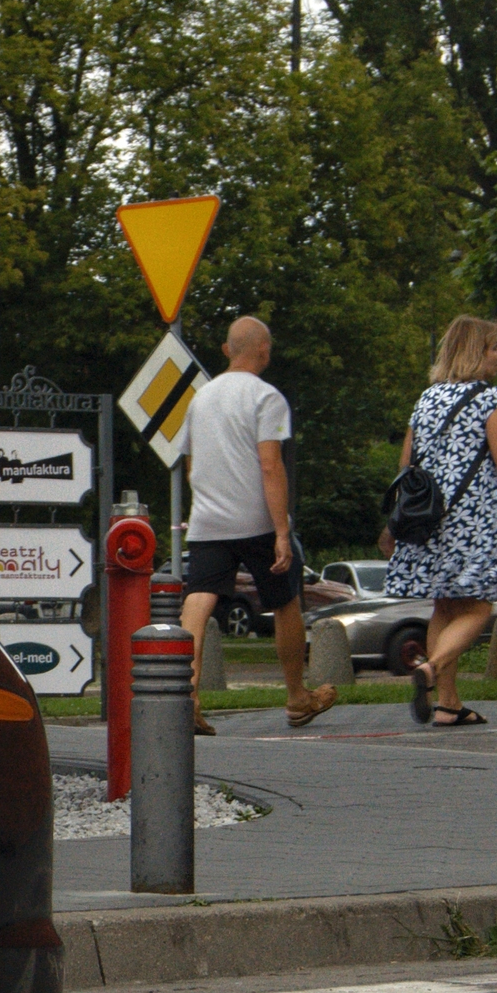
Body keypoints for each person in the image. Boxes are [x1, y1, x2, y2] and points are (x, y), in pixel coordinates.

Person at [384, 315, 497, 726]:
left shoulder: (426, 399)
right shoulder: (491, 398)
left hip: (428, 519)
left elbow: (406, 464)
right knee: (479, 606)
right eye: (494, 348)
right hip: (470, 519)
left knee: (444, 605)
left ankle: (448, 704)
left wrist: (394, 523)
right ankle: (431, 667)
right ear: (476, 352)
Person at [176, 315, 337, 734]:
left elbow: (192, 467)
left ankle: (186, 696)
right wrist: (281, 530)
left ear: (229, 350)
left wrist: (208, 505)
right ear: (264, 350)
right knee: (284, 601)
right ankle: (297, 696)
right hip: (257, 519)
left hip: (208, 519)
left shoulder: (200, 398)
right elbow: (271, 465)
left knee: (199, 598)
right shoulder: (268, 398)